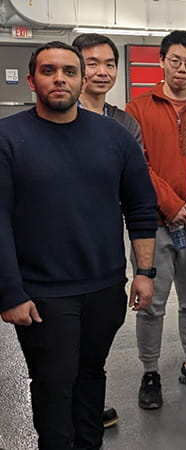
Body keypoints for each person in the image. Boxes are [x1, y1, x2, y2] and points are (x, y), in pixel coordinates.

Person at [0, 41, 157, 450]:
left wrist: (144, 272)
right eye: (49, 71)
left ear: (81, 79)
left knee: (91, 375)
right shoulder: (7, 137)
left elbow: (140, 207)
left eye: (69, 72)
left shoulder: (115, 137)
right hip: (42, 294)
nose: (59, 79)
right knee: (54, 384)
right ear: (32, 79)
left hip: (104, 288)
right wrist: (10, 292)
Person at [126, 30, 186, 410]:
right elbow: (139, 165)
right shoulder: (138, 108)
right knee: (151, 302)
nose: (182, 69)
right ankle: (149, 371)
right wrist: (170, 204)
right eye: (175, 61)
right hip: (152, 223)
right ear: (161, 61)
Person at [72, 31, 143, 430]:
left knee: (96, 341)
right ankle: (65, 418)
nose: (101, 72)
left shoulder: (123, 123)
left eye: (109, 64)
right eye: (91, 63)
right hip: (59, 248)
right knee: (61, 346)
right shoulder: (55, 117)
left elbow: (130, 185)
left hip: (105, 244)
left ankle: (86, 414)